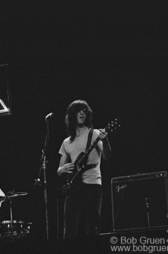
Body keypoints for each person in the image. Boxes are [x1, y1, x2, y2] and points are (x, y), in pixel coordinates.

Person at [57, 100, 111, 238]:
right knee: (69, 230)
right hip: (74, 187)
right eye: (79, 110)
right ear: (72, 115)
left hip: (92, 185)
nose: (82, 113)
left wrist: (105, 140)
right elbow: (59, 169)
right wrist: (62, 170)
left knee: (92, 228)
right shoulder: (66, 142)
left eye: (84, 111)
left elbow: (107, 156)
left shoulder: (94, 134)